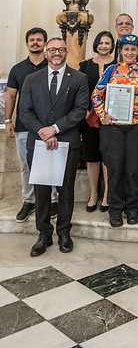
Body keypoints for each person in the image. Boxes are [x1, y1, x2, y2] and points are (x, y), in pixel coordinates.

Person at [19, 37, 89, 256]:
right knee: (41, 191)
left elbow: (80, 110)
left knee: (65, 190)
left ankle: (64, 233)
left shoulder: (79, 78)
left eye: (60, 49)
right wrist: (43, 131)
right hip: (39, 143)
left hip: (66, 142)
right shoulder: (31, 79)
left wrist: (55, 129)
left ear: (66, 52)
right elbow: (25, 111)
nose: (56, 53)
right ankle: (44, 234)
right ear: (46, 53)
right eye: (52, 50)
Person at [92, 35, 138, 227]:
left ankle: (132, 207)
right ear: (120, 51)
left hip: (137, 125)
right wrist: (103, 115)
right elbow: (96, 95)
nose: (130, 53)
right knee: (115, 168)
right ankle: (115, 209)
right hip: (113, 127)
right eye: (126, 49)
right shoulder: (111, 70)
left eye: (133, 49)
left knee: (133, 169)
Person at [5, 27, 52, 223]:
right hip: (24, 126)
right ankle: (29, 200)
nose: (35, 43)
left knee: (50, 164)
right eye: (32, 40)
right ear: (27, 43)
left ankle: (53, 199)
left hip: (49, 126)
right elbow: (11, 95)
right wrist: (8, 120)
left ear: (45, 44)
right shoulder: (18, 69)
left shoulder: (51, 66)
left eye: (39, 40)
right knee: (26, 165)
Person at [78, 30, 115, 213]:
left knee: (107, 155)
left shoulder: (117, 65)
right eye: (101, 42)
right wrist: (84, 110)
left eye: (107, 43)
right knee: (92, 156)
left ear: (112, 46)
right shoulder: (85, 65)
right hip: (89, 117)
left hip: (111, 117)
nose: (103, 45)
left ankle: (107, 194)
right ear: (96, 44)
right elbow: (80, 89)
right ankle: (93, 194)